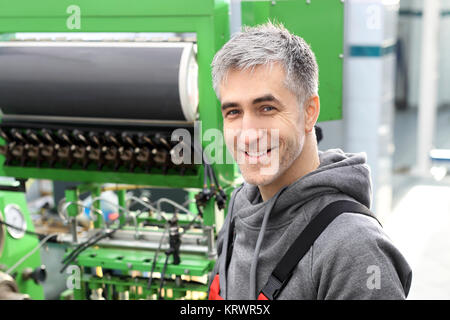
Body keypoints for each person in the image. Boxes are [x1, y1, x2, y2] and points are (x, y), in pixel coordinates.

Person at [208, 22, 412, 300]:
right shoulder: (238, 209)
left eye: (266, 108)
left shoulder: (353, 248)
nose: (248, 134)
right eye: (233, 112)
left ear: (309, 112)